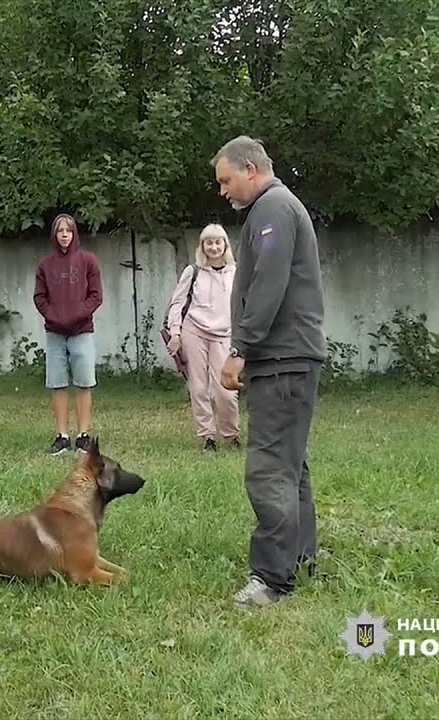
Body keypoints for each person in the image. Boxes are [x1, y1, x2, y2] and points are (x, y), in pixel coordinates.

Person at [212, 135, 327, 610]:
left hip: (282, 357)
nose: (223, 191)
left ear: (251, 170)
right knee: (289, 463)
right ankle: (300, 557)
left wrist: (240, 347)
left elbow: (268, 285)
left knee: (268, 468)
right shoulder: (273, 208)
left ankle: (271, 579)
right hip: (287, 358)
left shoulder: (274, 208)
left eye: (226, 180)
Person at [164, 223, 242, 452]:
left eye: (218, 242)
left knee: (225, 389)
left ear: (225, 245)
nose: (214, 247)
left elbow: (243, 307)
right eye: (209, 242)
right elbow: (177, 303)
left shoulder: (236, 273)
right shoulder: (193, 271)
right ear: (203, 246)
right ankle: (207, 436)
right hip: (194, 331)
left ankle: (231, 433)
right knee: (199, 387)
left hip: (224, 334)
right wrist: (175, 333)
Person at [33, 213, 103, 456]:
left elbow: (95, 296)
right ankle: (62, 436)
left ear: (75, 234)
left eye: (69, 231)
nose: (64, 235)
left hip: (81, 331)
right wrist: (53, 316)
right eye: (60, 231)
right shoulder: (45, 265)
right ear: (54, 234)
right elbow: (40, 298)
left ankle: (83, 435)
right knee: (58, 383)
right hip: (54, 332)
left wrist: (77, 316)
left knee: (84, 382)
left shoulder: (89, 261)